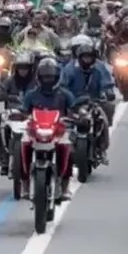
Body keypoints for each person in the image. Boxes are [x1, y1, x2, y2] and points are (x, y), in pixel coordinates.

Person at [20, 59, 75, 200]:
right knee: (23, 145)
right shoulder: (31, 94)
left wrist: (77, 116)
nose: (48, 80)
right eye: (45, 77)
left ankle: (65, 185)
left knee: (68, 147)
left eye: (50, 77)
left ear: (56, 77)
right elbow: (23, 111)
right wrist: (20, 115)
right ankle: (25, 183)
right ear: (39, 77)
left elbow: (74, 110)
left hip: (59, 132)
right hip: (35, 131)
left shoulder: (65, 94)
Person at [59, 41, 115, 156]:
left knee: (105, 116)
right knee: (61, 121)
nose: (87, 59)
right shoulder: (70, 69)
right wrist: (68, 98)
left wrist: (108, 92)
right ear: (79, 57)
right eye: (84, 57)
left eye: (89, 57)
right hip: (74, 103)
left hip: (94, 101)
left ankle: (102, 146)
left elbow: (106, 82)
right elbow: (63, 85)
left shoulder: (99, 67)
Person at [0, 51, 36, 174]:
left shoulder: (37, 82)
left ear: (31, 68)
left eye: (26, 68)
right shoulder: (11, 80)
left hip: (32, 112)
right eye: (20, 67)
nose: (23, 70)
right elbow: (1, 89)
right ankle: (3, 156)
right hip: (13, 112)